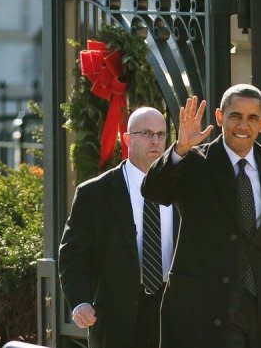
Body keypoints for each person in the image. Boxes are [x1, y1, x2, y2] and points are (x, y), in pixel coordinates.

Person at [141, 84, 261, 348]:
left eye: (252, 118)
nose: (243, 125)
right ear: (220, 118)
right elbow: (154, 191)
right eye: (235, 116)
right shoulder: (194, 163)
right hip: (206, 310)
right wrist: (180, 149)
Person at [59, 107, 177, 348]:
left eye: (161, 134)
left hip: (172, 315)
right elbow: (73, 253)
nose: (155, 140)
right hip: (116, 320)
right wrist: (80, 302)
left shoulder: (181, 189)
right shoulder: (95, 193)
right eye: (146, 133)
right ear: (126, 138)